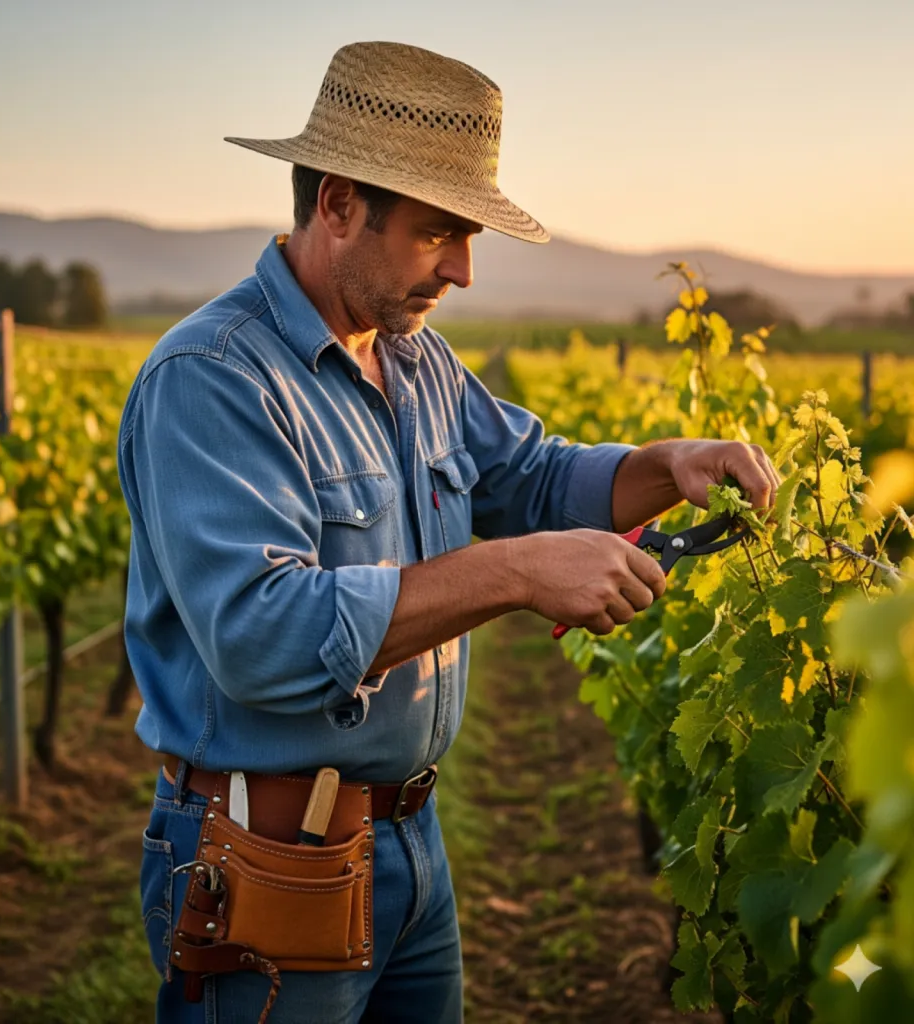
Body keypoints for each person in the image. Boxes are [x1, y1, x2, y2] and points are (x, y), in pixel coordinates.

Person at [117, 39, 779, 1024]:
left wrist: (663, 465)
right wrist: (509, 570)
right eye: (438, 234)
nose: (464, 271)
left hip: (410, 848)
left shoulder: (414, 359)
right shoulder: (212, 378)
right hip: (265, 858)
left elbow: (528, 474)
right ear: (338, 202)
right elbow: (262, 634)